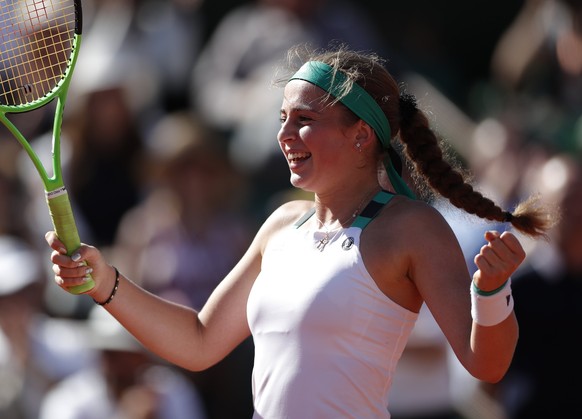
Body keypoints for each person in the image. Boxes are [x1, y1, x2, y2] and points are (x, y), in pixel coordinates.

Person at [45, 44, 553, 418]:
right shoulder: (282, 225)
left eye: (304, 120)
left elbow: (484, 364)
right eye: (283, 118)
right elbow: (198, 342)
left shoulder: (411, 228)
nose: (284, 136)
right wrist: (104, 283)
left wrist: (491, 292)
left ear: (360, 136)